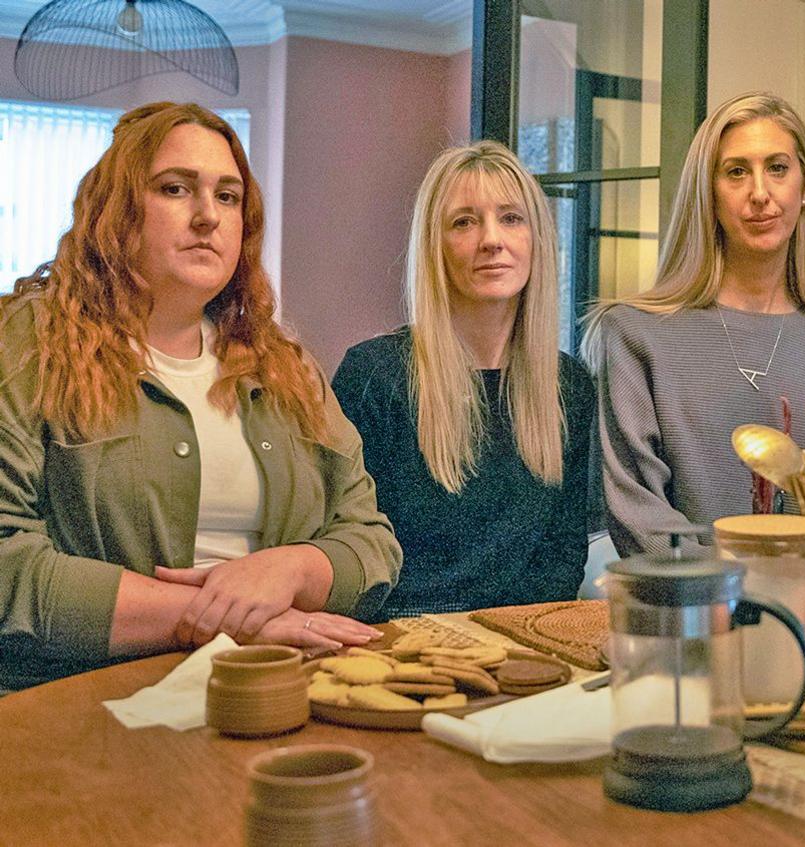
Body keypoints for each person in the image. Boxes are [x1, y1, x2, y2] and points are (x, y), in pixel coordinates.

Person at [0, 102, 399, 693]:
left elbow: (370, 536)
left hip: (280, 685)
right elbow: (6, 557)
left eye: (229, 196)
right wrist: (222, 621)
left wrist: (287, 571)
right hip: (78, 694)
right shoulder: (28, 341)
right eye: (174, 188)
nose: (208, 215)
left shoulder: (285, 367)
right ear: (117, 212)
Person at [584, 92, 805, 556]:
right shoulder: (636, 335)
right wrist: (753, 592)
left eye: (778, 168)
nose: (760, 193)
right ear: (708, 193)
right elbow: (638, 518)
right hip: (689, 617)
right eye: (736, 171)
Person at [333, 141, 594, 616]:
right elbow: (343, 542)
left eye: (511, 218)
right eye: (464, 222)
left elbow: (563, 555)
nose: (491, 239)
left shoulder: (570, 387)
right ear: (435, 246)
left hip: (527, 642)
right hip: (399, 639)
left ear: (537, 239)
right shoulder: (374, 375)